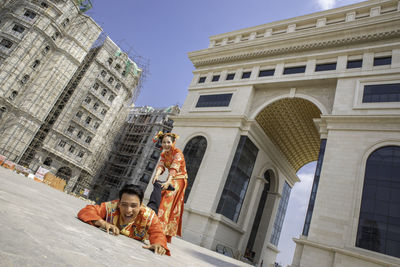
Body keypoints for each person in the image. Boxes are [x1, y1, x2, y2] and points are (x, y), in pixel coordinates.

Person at [77, 184, 170, 255]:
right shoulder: (111, 206)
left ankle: (157, 186)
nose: (128, 210)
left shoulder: (149, 216)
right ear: (119, 203)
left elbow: (158, 233)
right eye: (124, 204)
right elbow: (86, 211)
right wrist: (102, 223)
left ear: (141, 205)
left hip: (149, 210)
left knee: (154, 203)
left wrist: (158, 244)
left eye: (133, 206)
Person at [151, 132, 188, 243]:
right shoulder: (164, 154)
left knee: (166, 200)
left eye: (168, 142)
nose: (166, 144)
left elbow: (174, 167)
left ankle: (160, 231)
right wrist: (156, 175)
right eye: (164, 142)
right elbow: (161, 166)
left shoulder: (178, 153)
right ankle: (159, 229)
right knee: (161, 198)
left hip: (179, 179)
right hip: (171, 178)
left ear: (173, 142)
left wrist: (168, 181)